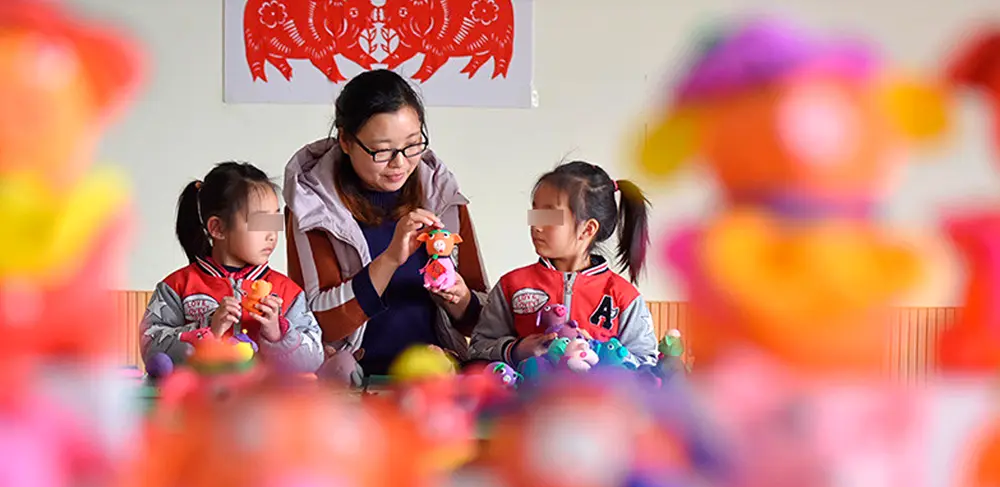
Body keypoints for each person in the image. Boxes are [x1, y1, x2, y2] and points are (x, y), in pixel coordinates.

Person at [284, 69, 488, 376]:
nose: (400, 163)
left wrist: (459, 299)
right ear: (345, 141)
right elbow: (317, 324)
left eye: (413, 144)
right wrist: (390, 259)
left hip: (435, 377)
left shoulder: (441, 196)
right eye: (382, 151)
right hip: (351, 382)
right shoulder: (314, 207)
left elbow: (481, 321)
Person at [139, 162, 324, 373]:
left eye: (273, 220)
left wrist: (277, 333)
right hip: (197, 402)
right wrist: (207, 329)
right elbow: (151, 348)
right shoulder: (176, 287)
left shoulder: (288, 293)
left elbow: (314, 359)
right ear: (217, 228)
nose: (272, 234)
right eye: (259, 222)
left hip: (261, 404)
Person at [470, 161, 659, 366]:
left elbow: (646, 363)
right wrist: (516, 350)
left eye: (550, 216)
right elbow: (478, 348)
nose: (536, 226)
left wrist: (598, 352)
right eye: (536, 212)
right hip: (526, 396)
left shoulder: (623, 297)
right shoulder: (511, 286)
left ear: (587, 230)